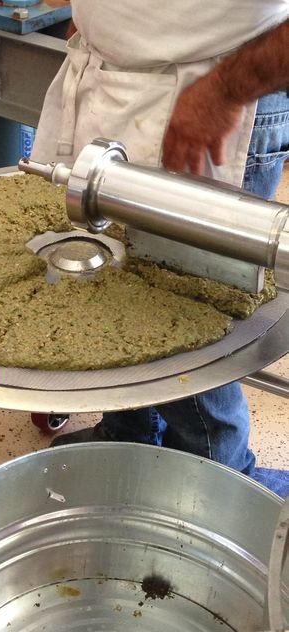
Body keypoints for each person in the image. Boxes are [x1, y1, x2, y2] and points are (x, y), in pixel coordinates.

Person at [32, 2, 289, 475]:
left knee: (186, 314)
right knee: (115, 287)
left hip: (216, 88)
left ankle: (217, 476)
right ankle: (128, 435)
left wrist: (225, 91)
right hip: (112, 74)